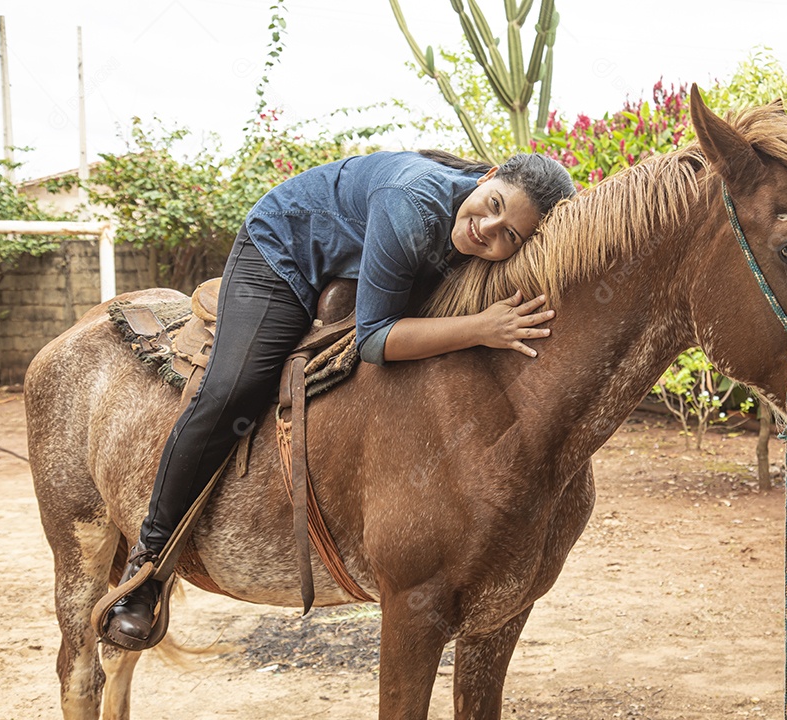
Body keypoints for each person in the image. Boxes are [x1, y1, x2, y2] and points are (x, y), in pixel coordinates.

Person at [100, 149, 577, 650]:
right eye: (494, 204)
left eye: (510, 235)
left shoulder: (472, 222)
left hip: (355, 251)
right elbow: (373, 340)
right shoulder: (409, 203)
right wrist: (481, 328)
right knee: (232, 392)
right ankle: (147, 567)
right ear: (489, 177)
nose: (489, 229)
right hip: (284, 250)